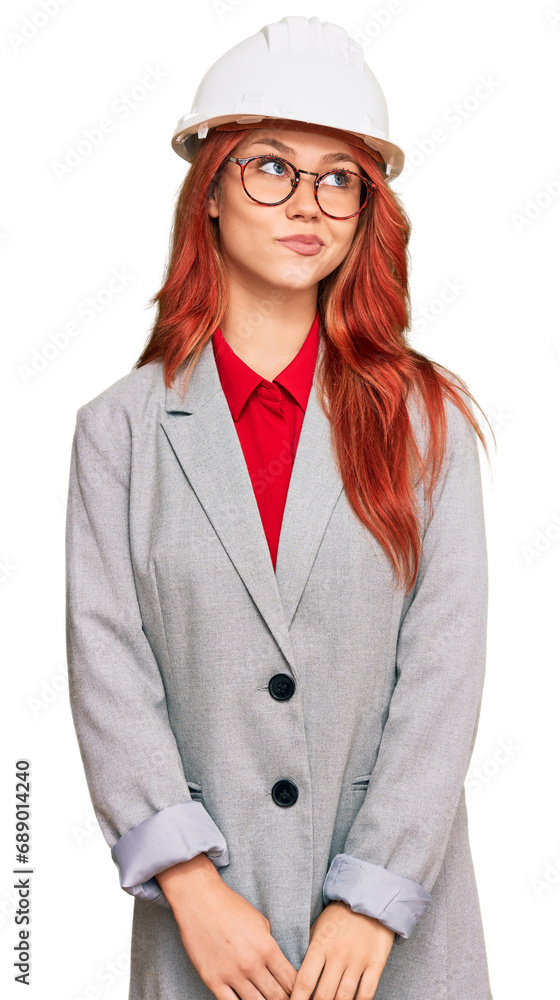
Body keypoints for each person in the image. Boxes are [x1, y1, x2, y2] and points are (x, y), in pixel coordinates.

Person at [65, 15, 495, 1000]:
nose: (306, 201)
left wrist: (375, 890)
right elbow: (109, 673)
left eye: (337, 176)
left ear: (365, 206)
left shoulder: (424, 421)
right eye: (269, 167)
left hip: (394, 939)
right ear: (208, 191)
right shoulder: (119, 432)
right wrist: (186, 880)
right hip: (212, 934)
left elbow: (441, 674)